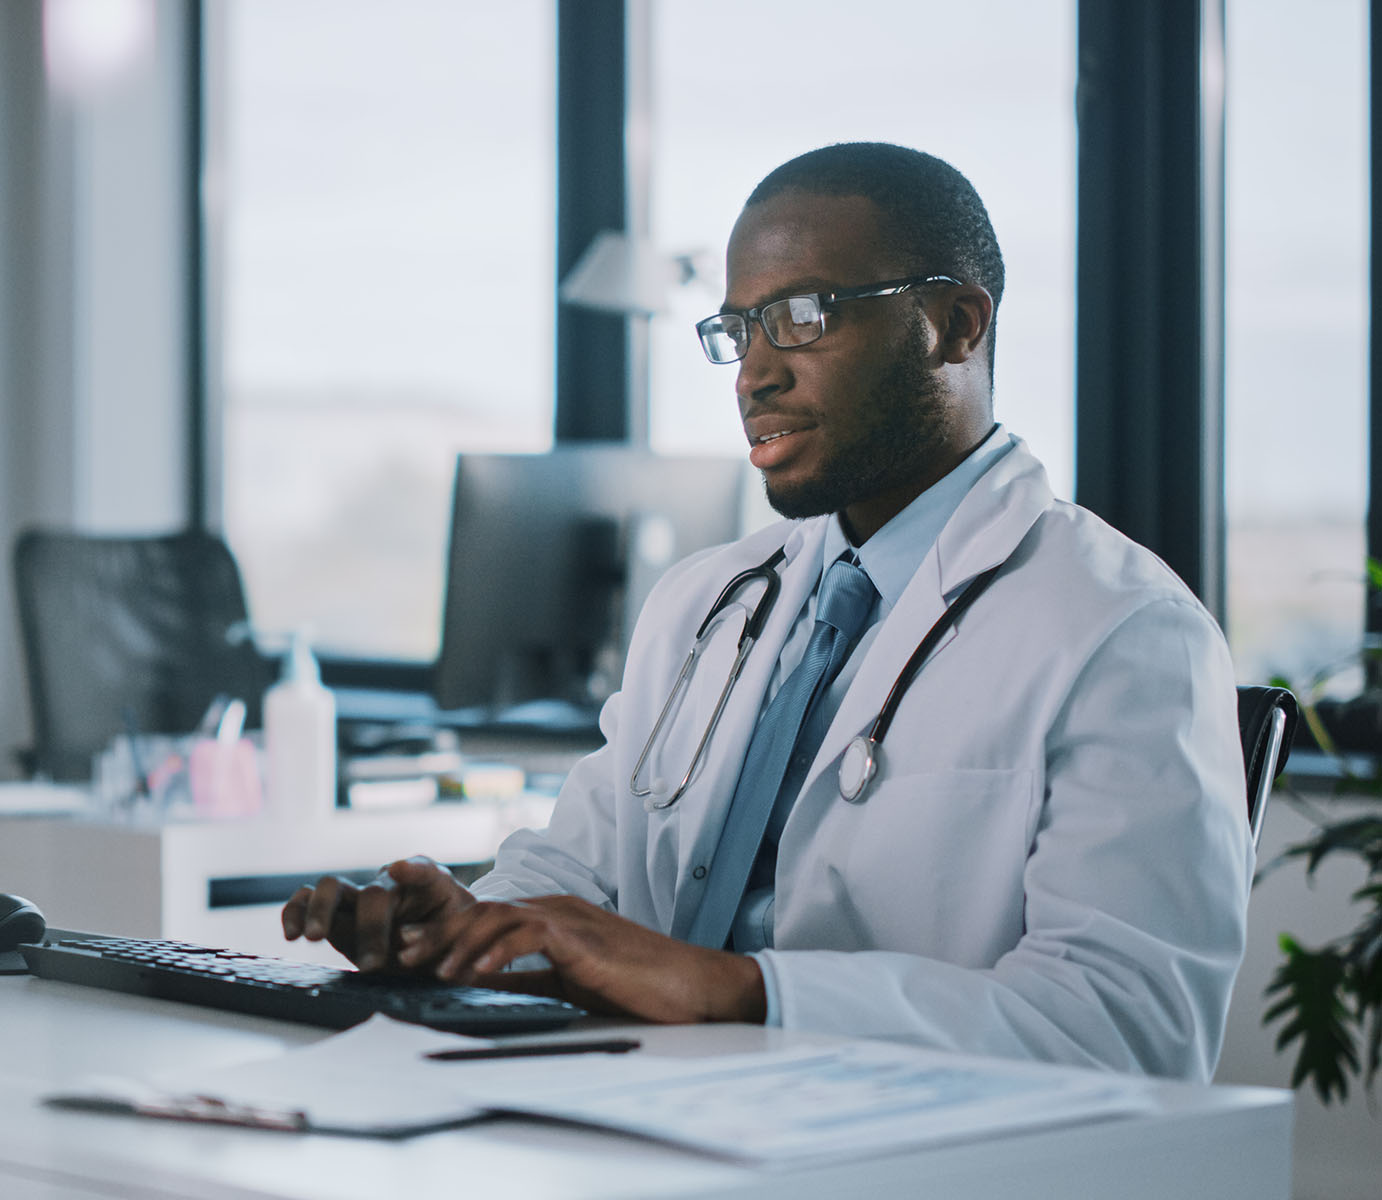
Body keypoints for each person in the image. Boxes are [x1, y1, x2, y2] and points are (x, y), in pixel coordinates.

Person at [281, 142, 1251, 1082]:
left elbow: (1130, 1035)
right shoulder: (704, 602)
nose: (752, 373)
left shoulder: (1122, 633)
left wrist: (740, 993)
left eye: (801, 315)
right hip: (648, 1118)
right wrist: (468, 931)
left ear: (956, 325)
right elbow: (583, 875)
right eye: (737, 329)